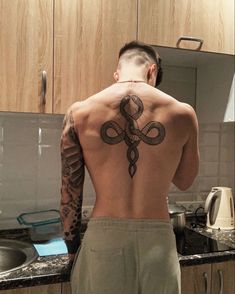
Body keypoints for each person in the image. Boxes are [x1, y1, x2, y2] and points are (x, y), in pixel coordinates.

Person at [60, 40, 199, 294]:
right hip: (157, 241)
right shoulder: (183, 113)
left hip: (104, 238)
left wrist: (72, 252)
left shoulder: (79, 113)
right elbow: (185, 180)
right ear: (152, 71)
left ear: (117, 73)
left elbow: (70, 193)